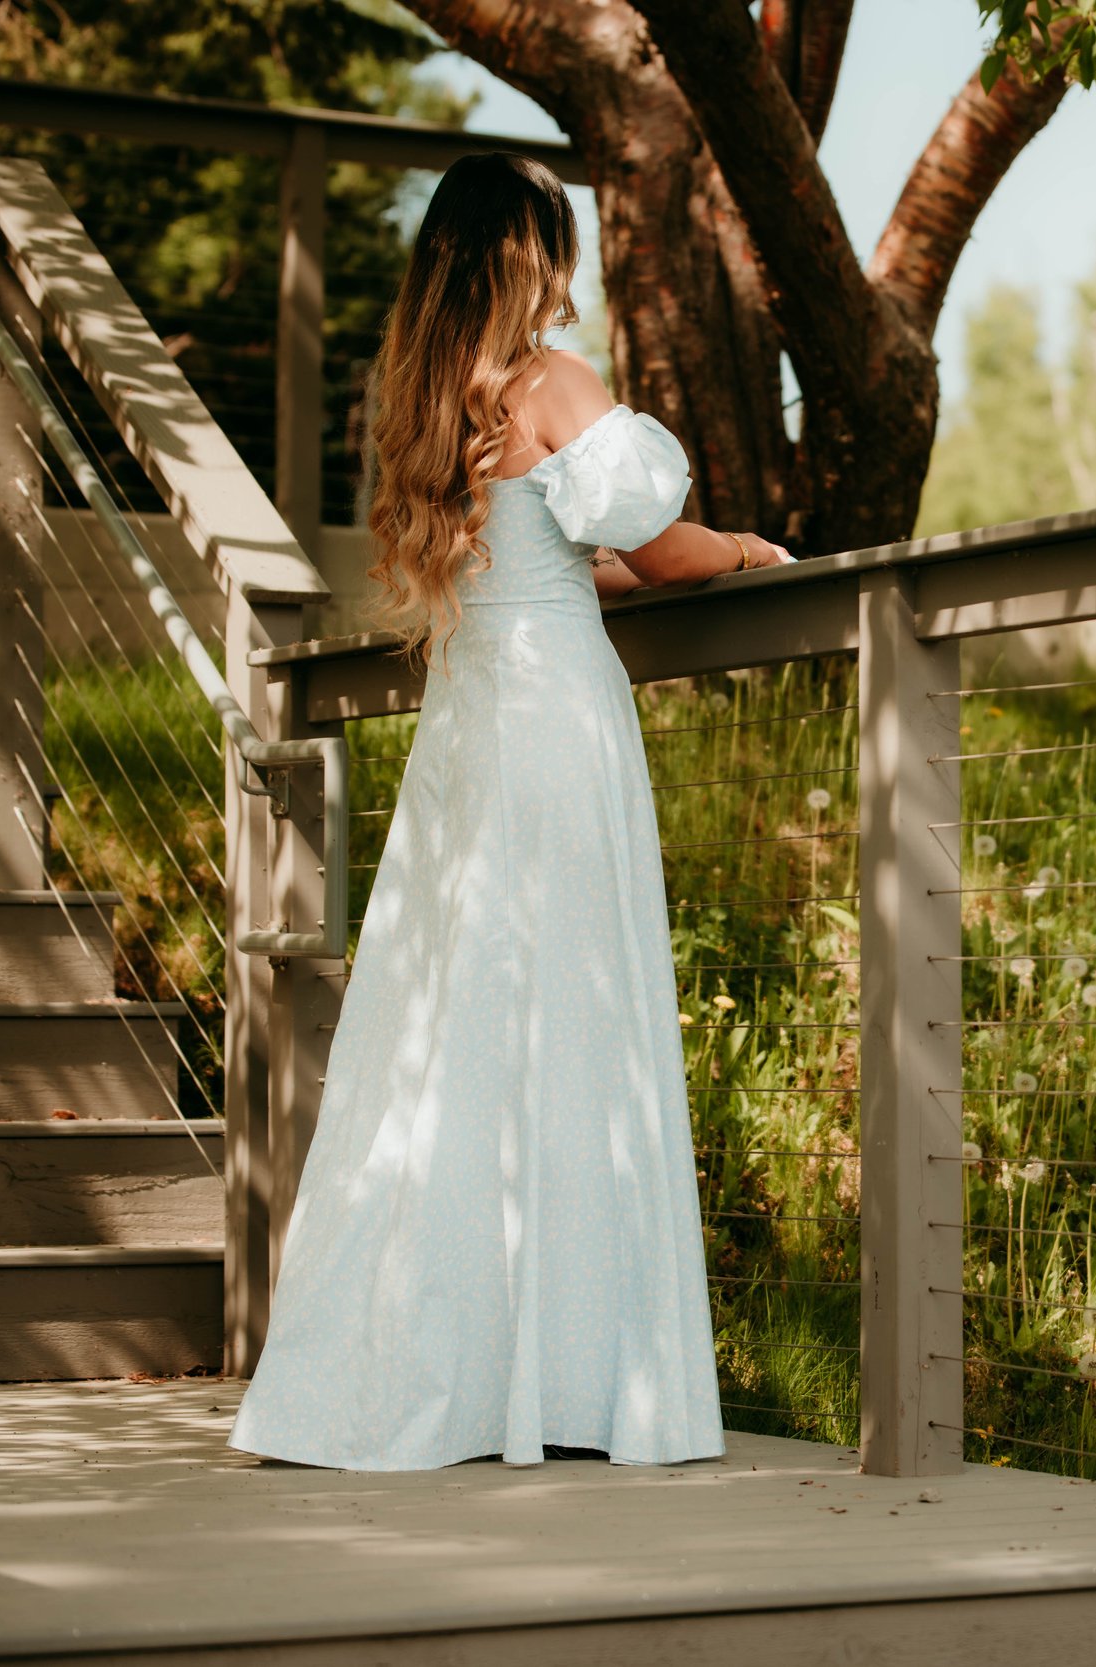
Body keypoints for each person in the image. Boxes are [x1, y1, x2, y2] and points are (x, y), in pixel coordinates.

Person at [229, 152, 790, 1472]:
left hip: (471, 725)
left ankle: (447, 1369)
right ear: (533, 253)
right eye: (561, 243)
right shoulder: (548, 379)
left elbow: (550, 553)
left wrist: (626, 564)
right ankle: (578, 1379)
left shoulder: (432, 395)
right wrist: (740, 550)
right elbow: (657, 544)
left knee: (459, 1029)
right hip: (552, 723)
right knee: (573, 1018)